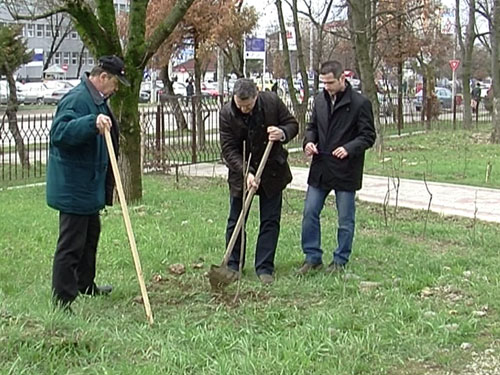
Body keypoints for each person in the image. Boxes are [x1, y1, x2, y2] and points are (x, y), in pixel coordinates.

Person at [46, 55, 130, 311]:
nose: (116, 89)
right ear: (102, 77)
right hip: (74, 186)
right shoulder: (77, 99)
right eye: (115, 83)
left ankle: (85, 284)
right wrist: (90, 123)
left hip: (88, 185)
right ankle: (62, 299)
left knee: (91, 236)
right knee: (71, 244)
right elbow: (59, 133)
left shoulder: (98, 100)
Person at [297, 60, 376, 275]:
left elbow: (368, 136)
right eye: (323, 83)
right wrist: (309, 143)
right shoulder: (319, 101)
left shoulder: (360, 104)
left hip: (346, 169)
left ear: (343, 78)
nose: (327, 87)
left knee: (345, 219)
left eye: (330, 82)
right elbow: (312, 127)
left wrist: (349, 148)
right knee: (310, 212)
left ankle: (340, 260)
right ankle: (312, 257)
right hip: (321, 167)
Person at [219, 78, 298, 284]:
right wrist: (247, 173)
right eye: (240, 105)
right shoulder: (227, 113)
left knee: (270, 220)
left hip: (272, 171)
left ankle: (264, 267)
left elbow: (292, 124)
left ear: (256, 96)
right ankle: (233, 264)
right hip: (241, 174)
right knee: (236, 219)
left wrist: (282, 133)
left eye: (248, 105)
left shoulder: (271, 102)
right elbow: (228, 149)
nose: (244, 109)